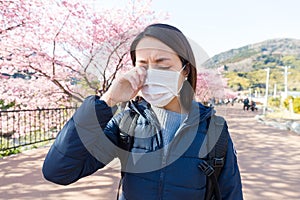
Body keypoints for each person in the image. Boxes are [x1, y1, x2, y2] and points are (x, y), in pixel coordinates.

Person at [42, 23, 243, 200]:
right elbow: (58, 171)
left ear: (186, 69)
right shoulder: (126, 123)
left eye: (163, 65)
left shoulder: (214, 129)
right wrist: (106, 101)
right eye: (143, 65)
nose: (152, 73)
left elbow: (230, 193)